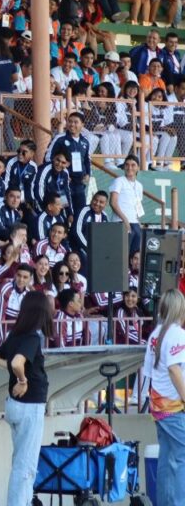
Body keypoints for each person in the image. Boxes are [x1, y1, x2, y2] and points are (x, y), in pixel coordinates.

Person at [0, 291, 53, 506]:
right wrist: (22, 380)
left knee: (21, 462)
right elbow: (18, 362)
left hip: (16, 406)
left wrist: (15, 373)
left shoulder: (16, 334)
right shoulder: (31, 337)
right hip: (30, 406)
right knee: (25, 467)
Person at [146, 290, 185, 506]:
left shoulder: (156, 334)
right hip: (174, 406)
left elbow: (149, 373)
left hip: (159, 406)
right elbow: (174, 370)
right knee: (181, 459)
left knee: (167, 458)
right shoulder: (177, 334)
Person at [109, 154, 146, 254]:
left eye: (133, 165)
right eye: (127, 165)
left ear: (138, 167)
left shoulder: (139, 185)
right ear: (124, 167)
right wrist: (125, 220)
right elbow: (113, 202)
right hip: (121, 222)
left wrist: (139, 222)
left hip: (135, 223)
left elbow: (137, 206)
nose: (130, 167)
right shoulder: (119, 181)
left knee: (134, 254)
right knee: (122, 254)